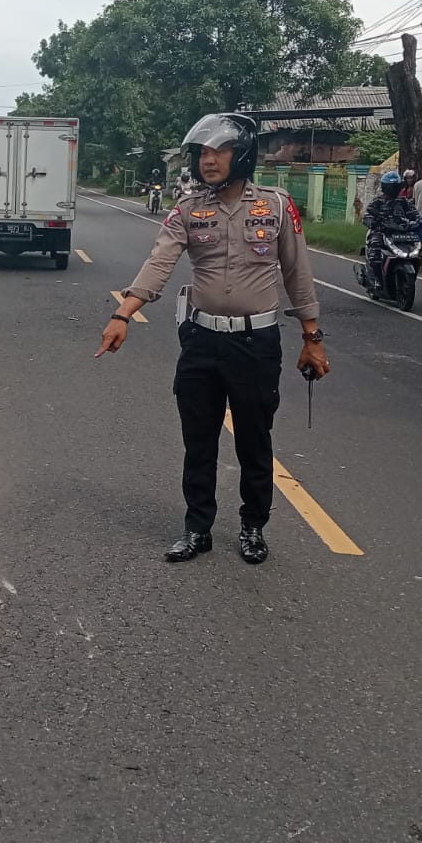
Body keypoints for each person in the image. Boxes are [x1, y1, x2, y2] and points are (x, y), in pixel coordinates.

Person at [97, 111, 328, 566]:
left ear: (241, 155)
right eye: (203, 152)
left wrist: (312, 336)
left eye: (219, 151)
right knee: (198, 440)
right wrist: (124, 313)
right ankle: (197, 528)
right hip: (201, 340)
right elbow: (159, 263)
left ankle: (253, 526)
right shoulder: (188, 209)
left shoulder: (276, 206)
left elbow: (297, 273)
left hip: (256, 344)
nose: (208, 160)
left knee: (254, 441)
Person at [364, 170, 419, 288]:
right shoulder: (377, 202)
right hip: (381, 231)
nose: (393, 189)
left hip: (401, 232)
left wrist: (418, 221)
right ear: (385, 187)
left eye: (395, 186)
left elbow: (414, 213)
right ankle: (377, 279)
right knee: (375, 251)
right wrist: (373, 222)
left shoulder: (403, 201)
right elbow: (367, 215)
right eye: (390, 187)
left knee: (416, 250)